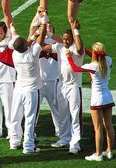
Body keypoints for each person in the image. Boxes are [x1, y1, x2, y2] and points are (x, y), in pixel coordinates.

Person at [66, 42, 115, 161]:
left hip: (97, 100)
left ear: (95, 53)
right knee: (108, 125)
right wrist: (86, 50)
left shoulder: (92, 66)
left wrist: (69, 57)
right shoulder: (108, 60)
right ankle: (109, 151)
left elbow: (75, 68)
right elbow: (98, 55)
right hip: (108, 97)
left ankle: (98, 154)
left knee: (98, 128)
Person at [42, 20, 84, 154]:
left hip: (73, 87)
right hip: (61, 85)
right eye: (64, 39)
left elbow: (79, 48)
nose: (65, 41)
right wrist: (44, 35)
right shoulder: (60, 47)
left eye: (68, 39)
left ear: (73, 39)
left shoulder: (77, 50)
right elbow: (45, 47)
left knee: (75, 115)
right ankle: (64, 138)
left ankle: (75, 143)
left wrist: (76, 31)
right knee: (63, 114)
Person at [9, 15, 47, 154]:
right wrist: (43, 21)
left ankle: (14, 142)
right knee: (30, 119)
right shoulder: (33, 53)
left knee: (15, 116)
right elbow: (42, 36)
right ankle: (28, 146)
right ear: (25, 45)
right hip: (31, 91)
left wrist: (12, 27)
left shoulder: (15, 54)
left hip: (18, 89)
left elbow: (25, 41)